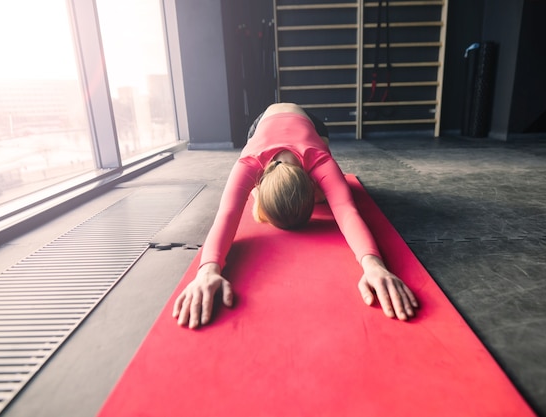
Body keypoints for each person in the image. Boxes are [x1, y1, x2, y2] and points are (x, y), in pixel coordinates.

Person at [172, 103, 418, 329]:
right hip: (262, 126)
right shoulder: (248, 163)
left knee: (328, 195)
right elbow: (227, 214)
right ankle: (270, 193)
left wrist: (373, 264)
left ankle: (303, 192)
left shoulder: (319, 158)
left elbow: (346, 210)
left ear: (309, 182)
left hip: (310, 124)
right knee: (303, 196)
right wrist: (207, 271)